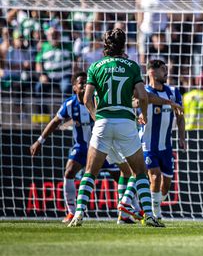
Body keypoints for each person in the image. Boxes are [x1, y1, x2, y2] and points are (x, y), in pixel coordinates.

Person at [68, 28, 161, 227]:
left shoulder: (95, 66)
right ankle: (150, 216)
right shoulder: (132, 66)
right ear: (123, 45)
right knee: (140, 172)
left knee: (90, 172)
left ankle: (78, 215)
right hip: (126, 122)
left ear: (105, 45)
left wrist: (96, 117)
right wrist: (143, 114)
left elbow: (86, 98)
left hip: (103, 122)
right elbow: (142, 96)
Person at [29, 71, 132, 223]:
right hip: (82, 148)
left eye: (86, 82)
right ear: (74, 88)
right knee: (69, 172)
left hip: (104, 148)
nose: (84, 85)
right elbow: (55, 122)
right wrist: (39, 141)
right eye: (81, 83)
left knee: (124, 175)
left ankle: (128, 212)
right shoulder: (70, 104)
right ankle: (71, 212)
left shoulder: (98, 101)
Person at [137, 59, 186, 225]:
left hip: (166, 146)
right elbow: (131, 104)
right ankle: (154, 215)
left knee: (166, 185)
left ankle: (149, 206)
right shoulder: (142, 91)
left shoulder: (173, 92)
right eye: (163, 69)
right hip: (147, 144)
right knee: (155, 177)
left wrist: (181, 136)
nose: (166, 72)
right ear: (152, 72)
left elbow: (180, 115)